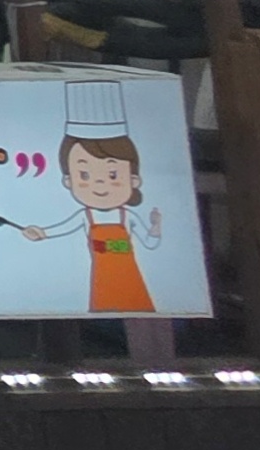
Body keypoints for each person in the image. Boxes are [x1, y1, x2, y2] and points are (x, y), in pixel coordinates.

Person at [12, 130, 160, 315]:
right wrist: (40, 233)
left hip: (130, 277)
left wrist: (155, 226)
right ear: (68, 181)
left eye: (112, 175)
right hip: (102, 279)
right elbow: (61, 228)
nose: (99, 183)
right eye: (84, 175)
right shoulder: (86, 216)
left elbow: (149, 242)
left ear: (134, 180)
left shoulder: (127, 216)